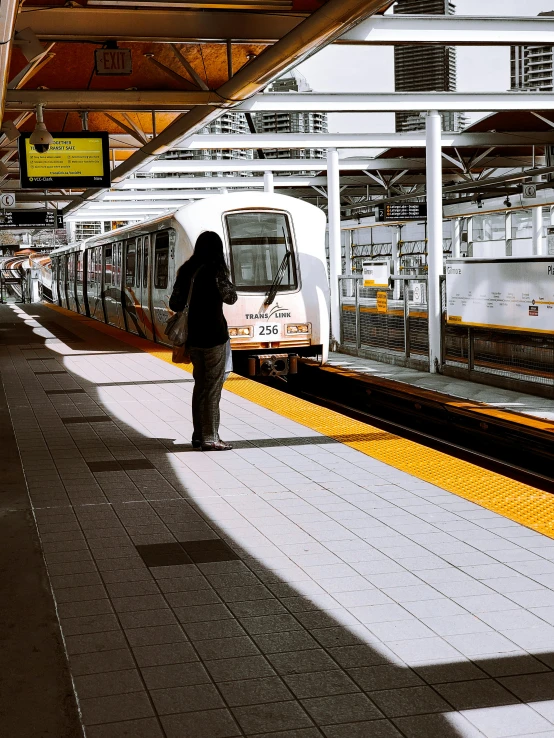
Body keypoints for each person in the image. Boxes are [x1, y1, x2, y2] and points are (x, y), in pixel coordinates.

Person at [169, 231, 237, 451]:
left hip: (193, 339)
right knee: (213, 389)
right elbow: (231, 297)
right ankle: (210, 437)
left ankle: (198, 435)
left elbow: (175, 303)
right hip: (214, 338)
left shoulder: (186, 271)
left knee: (200, 386)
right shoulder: (216, 271)